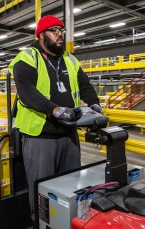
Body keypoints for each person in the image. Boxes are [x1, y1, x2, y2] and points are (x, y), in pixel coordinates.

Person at [8, 15, 102, 220]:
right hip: (40, 136)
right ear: (41, 35)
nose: (60, 34)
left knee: (71, 186)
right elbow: (27, 92)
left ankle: (68, 222)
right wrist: (55, 110)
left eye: (61, 30)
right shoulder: (27, 58)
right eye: (53, 31)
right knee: (43, 190)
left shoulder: (70, 59)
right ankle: (41, 224)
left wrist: (94, 104)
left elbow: (85, 86)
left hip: (69, 134)